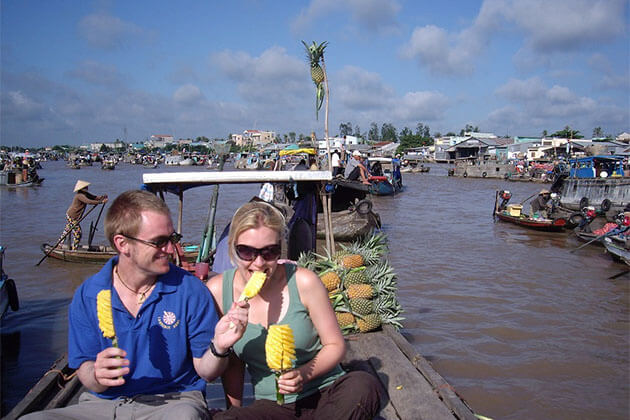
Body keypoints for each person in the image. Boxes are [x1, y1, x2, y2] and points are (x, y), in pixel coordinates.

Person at [24, 190, 249, 419]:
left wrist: (219, 348)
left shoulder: (190, 291)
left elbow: (207, 372)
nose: (171, 250)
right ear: (123, 244)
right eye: (159, 242)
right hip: (101, 404)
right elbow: (85, 367)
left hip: (173, 402)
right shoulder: (89, 294)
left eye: (173, 239)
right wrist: (97, 374)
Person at [207, 201, 381, 419]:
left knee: (364, 385)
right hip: (272, 405)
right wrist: (234, 410)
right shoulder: (217, 291)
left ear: (281, 247)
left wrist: (303, 374)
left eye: (270, 252)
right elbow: (233, 364)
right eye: (247, 251)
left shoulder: (303, 282)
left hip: (325, 394)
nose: (259, 263)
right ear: (233, 247)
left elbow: (335, 345)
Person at [57, 180, 108, 250]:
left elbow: (94, 197)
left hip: (74, 216)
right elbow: (89, 201)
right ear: (82, 188)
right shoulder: (79, 196)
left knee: (67, 231)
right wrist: (101, 202)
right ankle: (74, 249)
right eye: (86, 187)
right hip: (72, 216)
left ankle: (59, 245)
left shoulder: (85, 194)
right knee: (78, 233)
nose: (87, 188)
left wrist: (102, 197)